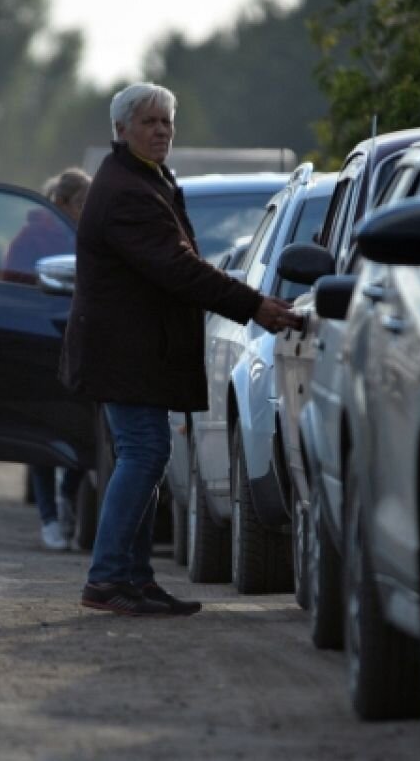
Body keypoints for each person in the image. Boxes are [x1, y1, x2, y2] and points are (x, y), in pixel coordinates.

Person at [61, 83, 300, 616]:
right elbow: (177, 266)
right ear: (121, 130)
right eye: (149, 122)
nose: (161, 131)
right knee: (145, 453)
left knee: (146, 454)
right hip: (125, 353)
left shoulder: (146, 180)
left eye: (167, 122)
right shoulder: (128, 190)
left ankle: (133, 578)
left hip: (136, 352)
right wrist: (253, 303)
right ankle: (107, 578)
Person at [9, 168, 92, 550]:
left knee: (78, 429)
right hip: (37, 341)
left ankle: (67, 498)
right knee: (42, 436)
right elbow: (15, 285)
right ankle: (49, 518)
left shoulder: (86, 235)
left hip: (76, 344)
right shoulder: (29, 239)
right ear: (63, 203)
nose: (85, 211)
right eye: (81, 204)